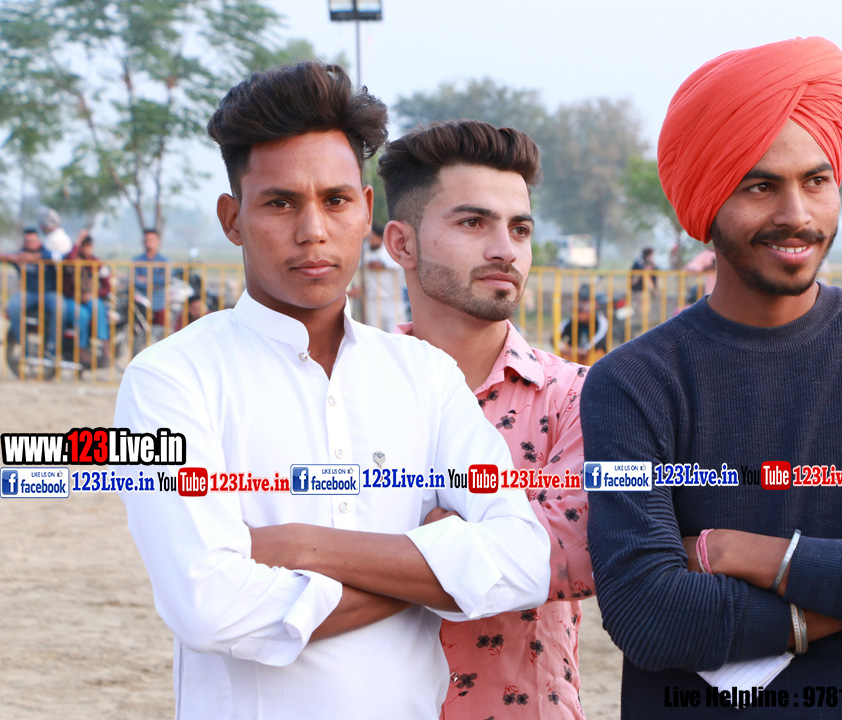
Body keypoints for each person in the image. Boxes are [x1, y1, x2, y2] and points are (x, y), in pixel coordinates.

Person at [115, 61, 549, 720]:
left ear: (367, 210)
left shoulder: (424, 375)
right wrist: (434, 568)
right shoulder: (171, 380)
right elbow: (207, 607)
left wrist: (304, 547)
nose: (313, 230)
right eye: (280, 202)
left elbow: (524, 562)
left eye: (336, 200)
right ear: (232, 218)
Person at [582, 37, 842, 718]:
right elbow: (649, 615)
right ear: (706, 201)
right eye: (759, 185)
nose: (797, 216)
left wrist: (739, 551)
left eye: (816, 181)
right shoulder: (632, 383)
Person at [378, 119, 593, 719]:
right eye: (473, 223)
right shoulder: (349, 391)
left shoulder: (576, 396)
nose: (505, 249)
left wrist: (385, 547)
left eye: (519, 228)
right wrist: (484, 540)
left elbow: (573, 554)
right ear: (402, 244)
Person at [2, 226, 62, 351]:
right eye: (28, 241)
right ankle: (25, 347)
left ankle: (52, 347)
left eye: (33, 241)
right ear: (24, 242)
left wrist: (37, 257)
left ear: (39, 241)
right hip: (28, 293)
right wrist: (14, 258)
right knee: (13, 307)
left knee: (61, 307)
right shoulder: (21, 255)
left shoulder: (46, 252)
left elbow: (61, 256)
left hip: (49, 293)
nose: (30, 244)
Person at [60, 230, 113, 368]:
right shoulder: (72, 259)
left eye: (90, 246)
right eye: (85, 246)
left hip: (88, 298)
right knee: (82, 315)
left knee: (97, 306)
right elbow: (70, 259)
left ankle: (105, 344)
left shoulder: (95, 262)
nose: (89, 250)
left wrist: (93, 294)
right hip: (70, 299)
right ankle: (81, 348)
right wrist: (77, 241)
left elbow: (107, 286)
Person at [361, 222, 405, 331]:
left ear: (380, 238)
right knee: (374, 332)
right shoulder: (364, 250)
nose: (370, 240)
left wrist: (383, 265)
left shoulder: (391, 250)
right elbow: (357, 264)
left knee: (394, 332)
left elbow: (400, 264)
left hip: (392, 301)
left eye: (373, 237)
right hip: (372, 300)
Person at [132, 227, 170, 326]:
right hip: (140, 304)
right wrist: (155, 282)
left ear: (158, 241)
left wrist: (146, 280)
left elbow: (166, 280)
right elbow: (134, 280)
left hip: (159, 302)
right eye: (147, 240)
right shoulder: (136, 260)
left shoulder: (164, 261)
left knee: (162, 331)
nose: (149, 243)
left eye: (152, 240)